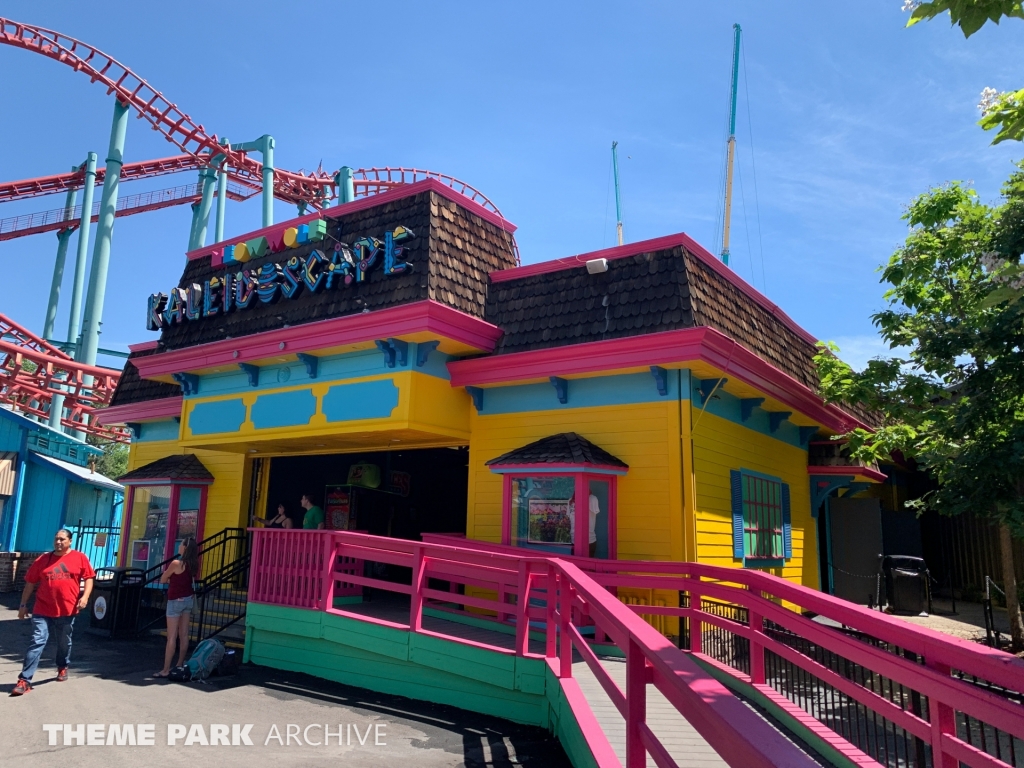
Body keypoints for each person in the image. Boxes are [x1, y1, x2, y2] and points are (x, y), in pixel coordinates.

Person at [11, 529, 95, 696]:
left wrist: (85, 597)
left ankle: (62, 666)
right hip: (42, 609)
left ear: (70, 541)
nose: (58, 542)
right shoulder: (43, 560)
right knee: (37, 641)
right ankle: (25, 680)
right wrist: (22, 605)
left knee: (64, 641)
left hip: (67, 609)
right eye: (56, 539)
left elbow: (89, 577)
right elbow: (30, 583)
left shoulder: (79, 557)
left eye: (62, 539)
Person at [154, 537, 198, 678]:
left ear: (185, 548)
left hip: (175, 600)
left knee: (171, 636)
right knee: (184, 634)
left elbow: (163, 579)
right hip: (188, 599)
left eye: (181, 544)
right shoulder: (193, 564)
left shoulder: (176, 563)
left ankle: (166, 669)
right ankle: (179, 664)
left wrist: (170, 579)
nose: (179, 545)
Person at [568, 493, 601, 558]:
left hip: (589, 539)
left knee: (589, 565)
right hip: (574, 538)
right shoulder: (570, 501)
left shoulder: (592, 499)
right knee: (574, 565)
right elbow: (569, 517)